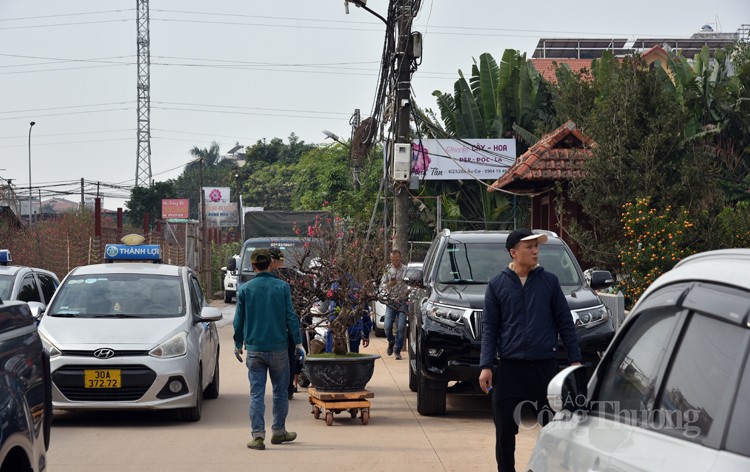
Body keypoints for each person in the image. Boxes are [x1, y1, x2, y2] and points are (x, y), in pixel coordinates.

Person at [478, 229, 582, 472]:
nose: (535, 251)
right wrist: (486, 366)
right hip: (510, 369)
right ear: (514, 253)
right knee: (504, 429)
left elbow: (565, 322)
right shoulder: (497, 285)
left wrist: (575, 360)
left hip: (544, 367)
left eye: (537, 246)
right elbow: (490, 328)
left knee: (551, 428)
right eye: (529, 247)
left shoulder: (550, 282)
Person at [233, 248, 304, 451]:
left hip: (254, 350)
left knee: (256, 394)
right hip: (279, 349)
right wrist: (298, 342)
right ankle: (279, 432)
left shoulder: (245, 289)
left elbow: (239, 321)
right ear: (271, 264)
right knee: (280, 392)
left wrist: (238, 344)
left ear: (253, 266)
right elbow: (291, 316)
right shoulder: (282, 287)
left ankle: (257, 437)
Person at [268, 247, 301, 400]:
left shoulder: (270, 277)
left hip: (275, 323)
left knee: (277, 356)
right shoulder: (296, 275)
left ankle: (280, 387)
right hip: (294, 320)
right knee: (291, 354)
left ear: (272, 261)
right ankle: (289, 388)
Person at [379, 249, 409, 360]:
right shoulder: (388, 269)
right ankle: (391, 341)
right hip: (390, 301)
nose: (394, 262)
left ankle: (397, 351)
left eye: (396, 260)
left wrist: (408, 291)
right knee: (387, 326)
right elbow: (381, 285)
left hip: (402, 301)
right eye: (392, 260)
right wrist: (388, 285)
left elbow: (411, 283)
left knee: (401, 328)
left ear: (400, 258)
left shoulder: (405, 269)